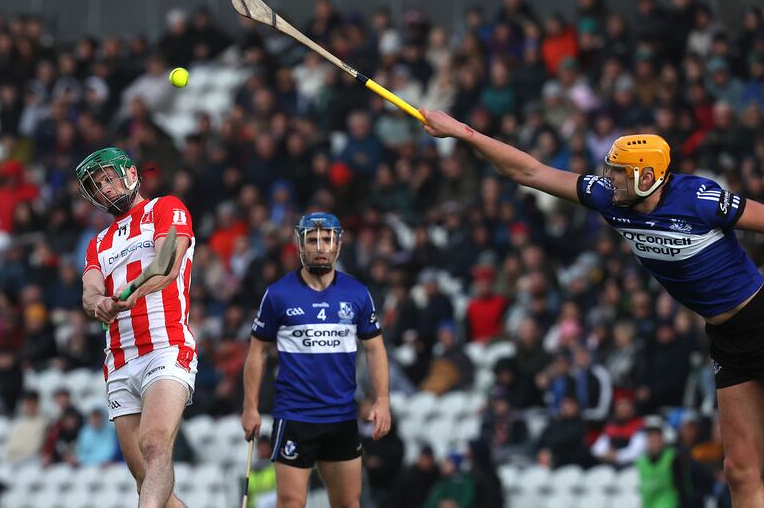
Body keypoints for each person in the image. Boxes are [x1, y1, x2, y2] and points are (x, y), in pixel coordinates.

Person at [420, 107, 764, 505]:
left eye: (619, 171)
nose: (609, 178)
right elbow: (528, 172)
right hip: (726, 340)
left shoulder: (700, 200)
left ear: (647, 177)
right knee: (739, 471)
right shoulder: (610, 198)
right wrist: (463, 134)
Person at [241, 212, 391, 507]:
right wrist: (250, 407)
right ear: (300, 245)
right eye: (313, 240)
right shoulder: (278, 295)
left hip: (342, 417)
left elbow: (376, 349)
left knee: (348, 503)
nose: (320, 247)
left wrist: (382, 399)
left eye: (326, 239)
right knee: (291, 503)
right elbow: (257, 352)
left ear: (338, 244)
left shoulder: (357, 294)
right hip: (295, 416)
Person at [78, 147, 197, 508]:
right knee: (146, 479)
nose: (105, 189)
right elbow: (90, 292)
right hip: (118, 359)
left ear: (131, 173)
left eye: (108, 178)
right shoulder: (98, 243)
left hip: (165, 344)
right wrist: (99, 303)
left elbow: (166, 265)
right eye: (97, 185)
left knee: (155, 444)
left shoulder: (164, 207)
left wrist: (134, 294)